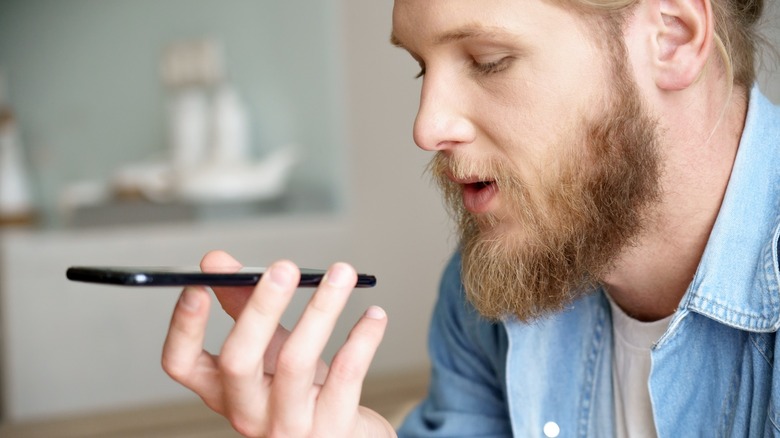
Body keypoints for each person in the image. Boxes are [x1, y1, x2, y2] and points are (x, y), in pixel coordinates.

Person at [161, 0, 779, 435]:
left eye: (487, 60)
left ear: (671, 36)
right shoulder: (488, 288)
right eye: (422, 67)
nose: (426, 127)